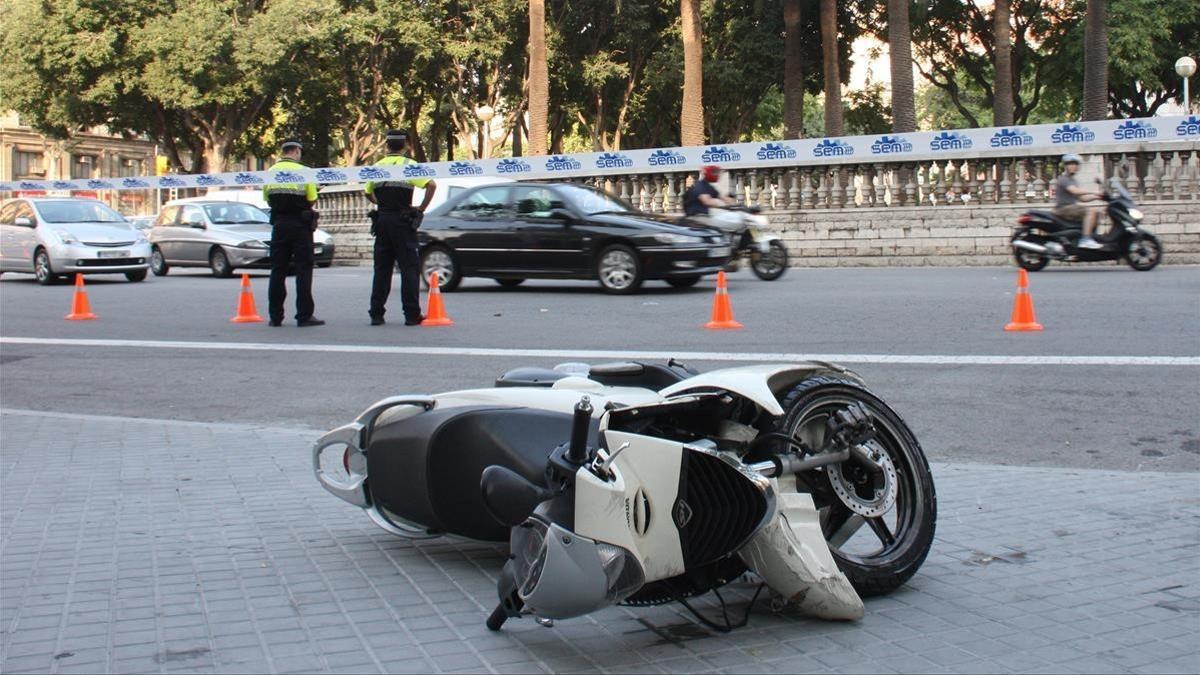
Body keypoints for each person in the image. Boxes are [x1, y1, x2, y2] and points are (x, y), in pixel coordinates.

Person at [365, 130, 437, 326]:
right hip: (403, 222)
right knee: (409, 269)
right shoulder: (410, 166)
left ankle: (376, 314)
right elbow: (431, 185)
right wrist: (420, 209)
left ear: (387, 146)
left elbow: (367, 192)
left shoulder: (377, 166)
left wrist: (380, 203)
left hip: (383, 221)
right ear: (405, 146)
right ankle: (411, 315)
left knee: (381, 269)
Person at [262, 140, 323, 326]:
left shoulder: (270, 172)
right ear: (296, 151)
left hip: (279, 225)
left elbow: (267, 199)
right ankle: (304, 316)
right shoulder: (304, 172)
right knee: (303, 270)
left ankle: (275, 316)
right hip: (300, 225)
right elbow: (312, 198)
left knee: (278, 270)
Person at [1054, 153, 1104, 249]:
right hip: (1064, 208)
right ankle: (1085, 240)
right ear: (1065, 166)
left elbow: (1082, 198)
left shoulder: (1073, 180)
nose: (1074, 166)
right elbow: (1075, 191)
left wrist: (1097, 197)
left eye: (1076, 164)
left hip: (1071, 208)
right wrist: (1094, 191)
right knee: (1090, 211)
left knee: (1097, 212)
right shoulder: (1063, 179)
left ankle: (1089, 236)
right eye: (1070, 164)